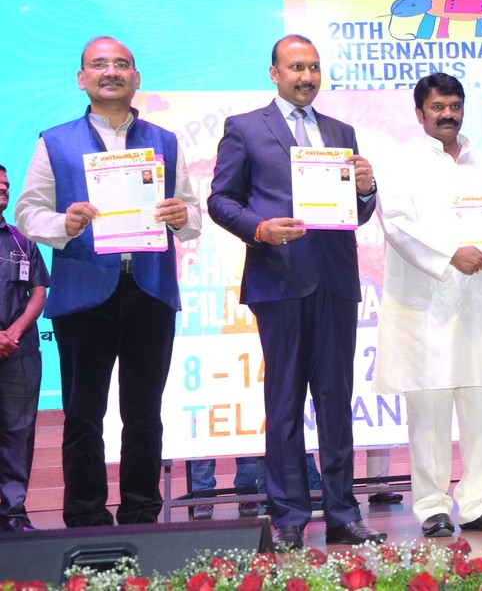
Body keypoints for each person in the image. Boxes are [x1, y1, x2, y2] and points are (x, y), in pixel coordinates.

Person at [15, 36, 201, 527]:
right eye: (99, 65)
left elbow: (192, 214)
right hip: (84, 294)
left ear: (136, 77)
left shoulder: (165, 141)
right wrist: (65, 223)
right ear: (82, 79)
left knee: (144, 414)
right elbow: (28, 212)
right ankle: (85, 517)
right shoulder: (54, 140)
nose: (111, 72)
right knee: (82, 414)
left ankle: (142, 514)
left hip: (150, 291)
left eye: (121, 64)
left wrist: (182, 215)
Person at [208, 34, 384, 549]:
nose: (306, 77)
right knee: (284, 401)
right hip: (279, 279)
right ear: (275, 73)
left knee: (335, 401)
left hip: (336, 280)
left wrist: (367, 188)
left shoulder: (341, 131)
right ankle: (287, 516)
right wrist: (259, 228)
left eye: (313, 68)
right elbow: (220, 200)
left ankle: (343, 514)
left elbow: (357, 214)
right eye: (296, 67)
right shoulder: (244, 128)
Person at [373, 73, 482, 538]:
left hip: (479, 301)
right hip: (426, 305)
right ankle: (432, 507)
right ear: (420, 113)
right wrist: (449, 255)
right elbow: (396, 224)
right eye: (438, 107)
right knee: (430, 412)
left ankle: (479, 504)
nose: (448, 115)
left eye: (454, 106)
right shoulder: (400, 161)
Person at [0, 165, 49, 532]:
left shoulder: (22, 240)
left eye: (6, 184)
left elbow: (38, 291)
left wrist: (13, 332)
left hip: (18, 350)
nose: (3, 188)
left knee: (18, 432)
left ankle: (13, 511)